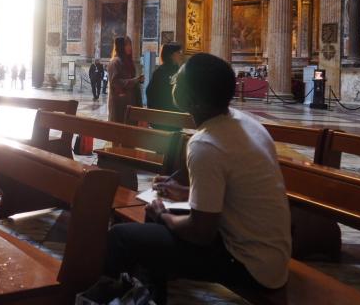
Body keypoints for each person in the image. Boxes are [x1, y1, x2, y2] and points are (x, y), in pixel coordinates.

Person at [105, 53, 291, 303]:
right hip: (272, 257)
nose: (173, 82)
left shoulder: (205, 144)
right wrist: (183, 192)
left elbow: (200, 231)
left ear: (191, 98)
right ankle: (154, 294)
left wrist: (164, 215)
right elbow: (233, 195)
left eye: (177, 81)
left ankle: (108, 294)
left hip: (247, 265)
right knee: (155, 220)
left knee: (121, 237)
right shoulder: (247, 123)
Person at [107, 36, 143, 123]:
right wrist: (135, 80)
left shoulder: (129, 62)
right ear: (120, 46)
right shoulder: (115, 62)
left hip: (130, 104)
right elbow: (115, 82)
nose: (130, 47)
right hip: (119, 106)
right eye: (127, 45)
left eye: (130, 44)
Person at [145, 42, 183, 115]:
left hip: (176, 113)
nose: (180, 55)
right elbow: (150, 92)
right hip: (163, 112)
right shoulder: (160, 72)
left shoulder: (179, 70)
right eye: (178, 52)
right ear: (172, 55)